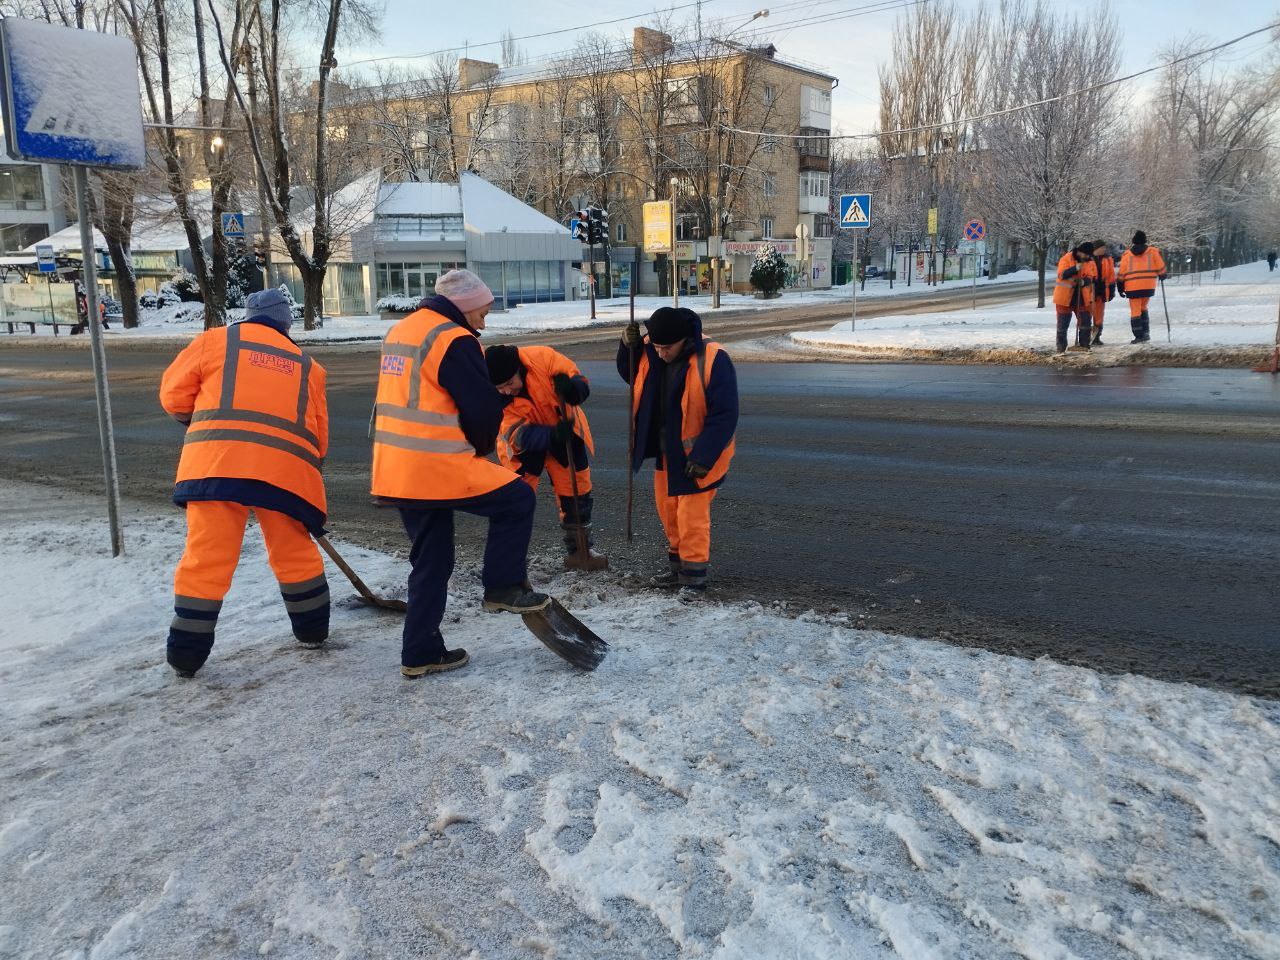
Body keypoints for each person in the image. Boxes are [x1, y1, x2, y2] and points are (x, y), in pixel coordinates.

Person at [371, 269, 549, 679]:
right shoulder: (453, 339)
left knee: (431, 560)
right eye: (483, 313)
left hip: (396, 467)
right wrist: (482, 447)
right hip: (435, 463)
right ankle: (503, 586)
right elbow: (483, 407)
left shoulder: (402, 330)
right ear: (466, 308)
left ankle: (420, 653)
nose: (484, 323)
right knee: (518, 497)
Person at [158, 288, 329, 678]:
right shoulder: (308, 365)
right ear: (286, 323)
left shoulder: (215, 341)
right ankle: (313, 631)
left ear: (248, 315)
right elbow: (319, 439)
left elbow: (173, 396)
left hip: (215, 464)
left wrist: (201, 420)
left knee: (207, 557)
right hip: (285, 473)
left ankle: (186, 655)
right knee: (293, 551)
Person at [618, 306, 738, 599]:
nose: (660, 353)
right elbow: (630, 374)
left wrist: (703, 457)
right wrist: (626, 347)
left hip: (698, 456)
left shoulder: (714, 358)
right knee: (668, 511)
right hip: (664, 448)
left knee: (691, 516)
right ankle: (677, 570)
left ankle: (694, 580)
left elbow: (725, 413)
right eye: (655, 347)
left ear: (684, 339)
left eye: (666, 348)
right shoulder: (650, 347)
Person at [485, 343, 603, 565]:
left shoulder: (542, 358)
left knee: (577, 498)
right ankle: (510, 562)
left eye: (509, 383)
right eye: (500, 387)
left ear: (519, 369)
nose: (506, 391)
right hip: (524, 451)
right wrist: (552, 436)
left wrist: (574, 389)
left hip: (566, 437)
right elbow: (516, 434)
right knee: (515, 504)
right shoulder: (492, 396)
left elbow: (572, 375)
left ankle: (581, 552)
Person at [1117, 230, 1167, 344]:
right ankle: (1146, 332)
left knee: (1135, 311)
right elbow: (1161, 267)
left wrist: (1120, 287)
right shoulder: (1153, 252)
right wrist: (1162, 275)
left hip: (1132, 287)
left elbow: (1121, 273)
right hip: (1148, 286)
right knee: (1143, 307)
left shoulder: (1127, 255)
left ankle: (1138, 335)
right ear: (1145, 240)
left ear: (1134, 241)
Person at [1053, 243, 1097, 353]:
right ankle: (1061, 348)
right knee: (1062, 324)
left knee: (1085, 322)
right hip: (1064, 297)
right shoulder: (1066, 259)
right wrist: (1075, 268)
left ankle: (1084, 345)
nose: (1087, 257)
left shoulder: (1090, 261)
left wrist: (1083, 281)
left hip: (1082, 297)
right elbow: (1062, 275)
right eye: (1085, 255)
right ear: (1079, 252)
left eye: (1088, 255)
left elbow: (1092, 277)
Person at [1089, 240, 1116, 345]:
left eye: (1104, 248)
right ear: (1096, 248)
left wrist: (1112, 288)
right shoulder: (1088, 258)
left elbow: (1111, 275)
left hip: (1101, 290)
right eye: (1102, 247)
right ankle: (1085, 337)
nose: (1104, 249)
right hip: (1089, 290)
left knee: (1099, 315)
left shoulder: (1108, 259)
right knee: (1086, 315)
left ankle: (1096, 337)